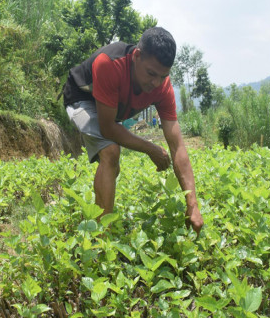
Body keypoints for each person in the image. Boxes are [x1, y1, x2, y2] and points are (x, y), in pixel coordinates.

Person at [63, 27, 204, 235]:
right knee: (110, 151)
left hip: (110, 108)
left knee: (110, 163)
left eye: (163, 76)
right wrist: (151, 149)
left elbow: (177, 145)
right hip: (81, 98)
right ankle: (101, 238)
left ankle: (99, 213)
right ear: (136, 56)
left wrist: (192, 203)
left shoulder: (162, 87)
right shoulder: (109, 64)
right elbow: (108, 127)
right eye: (151, 74)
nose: (156, 82)